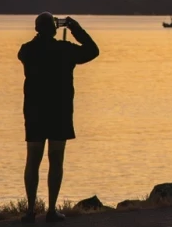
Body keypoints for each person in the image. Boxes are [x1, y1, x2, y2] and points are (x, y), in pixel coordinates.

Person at [18, 14, 99, 222]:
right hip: (59, 112)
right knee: (56, 160)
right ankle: (52, 210)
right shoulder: (65, 50)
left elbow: (29, 50)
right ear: (54, 29)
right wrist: (75, 28)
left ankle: (30, 211)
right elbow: (93, 50)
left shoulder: (26, 50)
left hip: (35, 111)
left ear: (37, 29)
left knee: (32, 160)